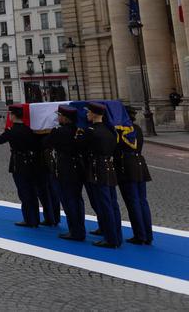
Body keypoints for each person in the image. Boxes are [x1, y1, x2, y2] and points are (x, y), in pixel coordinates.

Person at [77, 102, 123, 248]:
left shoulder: (90, 131)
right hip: (109, 167)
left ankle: (110, 239)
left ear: (95, 114)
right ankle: (117, 235)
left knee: (104, 204)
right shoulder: (110, 130)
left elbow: (80, 146)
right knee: (113, 203)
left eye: (89, 112)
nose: (87, 114)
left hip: (98, 167)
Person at [44, 105, 85, 241]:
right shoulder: (79, 131)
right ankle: (80, 229)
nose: (58, 118)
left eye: (60, 116)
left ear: (65, 118)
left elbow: (46, 143)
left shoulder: (58, 132)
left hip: (64, 169)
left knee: (68, 201)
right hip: (78, 168)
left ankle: (75, 231)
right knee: (78, 200)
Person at [0, 105, 41, 227]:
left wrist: (6, 131)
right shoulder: (28, 130)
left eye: (10, 114)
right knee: (32, 192)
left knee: (24, 192)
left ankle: (29, 219)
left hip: (19, 163)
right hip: (31, 163)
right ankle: (35, 218)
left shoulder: (12, 131)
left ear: (13, 115)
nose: (9, 116)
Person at [116, 105, 153, 245]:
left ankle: (139, 235)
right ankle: (148, 235)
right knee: (143, 201)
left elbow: (117, 149)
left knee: (133, 202)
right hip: (139, 164)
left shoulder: (120, 130)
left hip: (126, 166)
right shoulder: (137, 128)